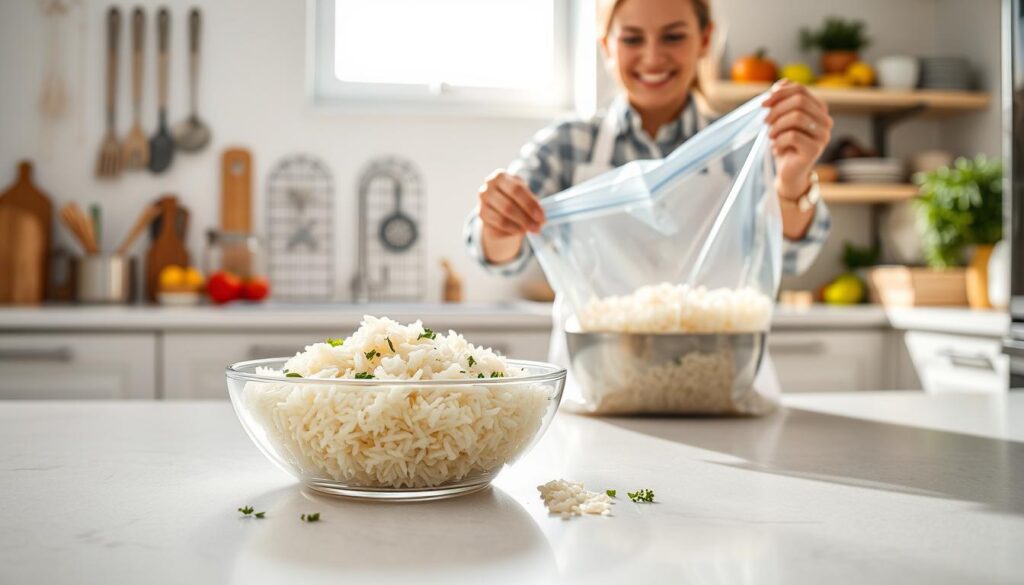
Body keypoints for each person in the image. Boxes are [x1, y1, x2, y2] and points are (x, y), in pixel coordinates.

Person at [463, 0, 833, 401]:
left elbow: (792, 257)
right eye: (632, 39)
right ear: (607, 46)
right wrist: (500, 219)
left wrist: (794, 180)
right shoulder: (568, 145)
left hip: (726, 394)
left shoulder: (748, 145)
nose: (652, 57)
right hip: (601, 393)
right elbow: (495, 255)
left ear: (705, 39)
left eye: (673, 36)